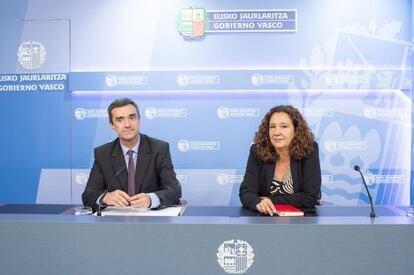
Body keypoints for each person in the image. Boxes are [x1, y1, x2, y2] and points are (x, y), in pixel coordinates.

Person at [82, 98, 181, 211]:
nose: (127, 124)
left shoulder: (159, 149)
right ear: (112, 126)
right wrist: (106, 197)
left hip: (151, 220)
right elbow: (88, 195)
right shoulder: (102, 153)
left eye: (132, 117)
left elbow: (175, 190)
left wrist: (151, 199)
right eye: (120, 120)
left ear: (139, 120)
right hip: (116, 222)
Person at [239, 105, 321, 216]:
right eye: (272, 127)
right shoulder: (257, 150)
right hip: (264, 220)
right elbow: (246, 193)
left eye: (284, 126)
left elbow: (310, 198)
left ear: (296, 130)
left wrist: (267, 200)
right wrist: (257, 202)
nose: (276, 132)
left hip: (301, 221)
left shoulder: (309, 150)